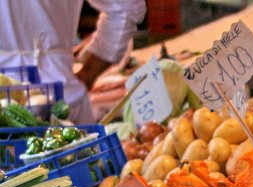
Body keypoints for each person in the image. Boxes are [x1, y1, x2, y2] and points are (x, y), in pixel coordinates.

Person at [0, 0, 146, 124]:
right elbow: (126, 8)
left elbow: (127, 8)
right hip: (64, 97)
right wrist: (89, 73)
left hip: (63, 103)